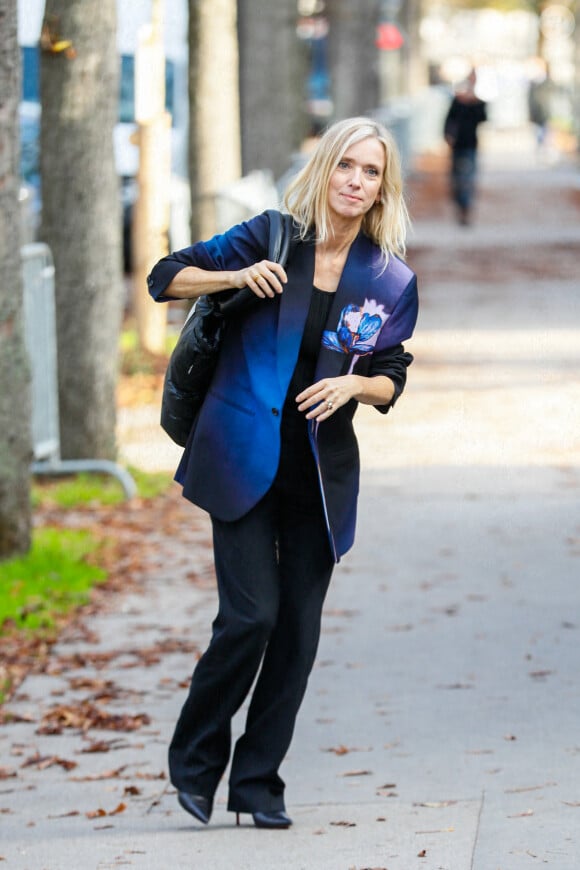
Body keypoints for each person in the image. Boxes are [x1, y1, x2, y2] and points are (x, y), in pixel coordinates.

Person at [146, 116, 419, 830]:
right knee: (250, 617)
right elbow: (163, 277)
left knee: (297, 632)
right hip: (239, 454)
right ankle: (196, 762)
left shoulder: (388, 277)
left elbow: (392, 371)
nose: (356, 182)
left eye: (371, 172)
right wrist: (234, 276)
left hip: (319, 474)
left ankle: (260, 784)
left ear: (383, 186)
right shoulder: (271, 235)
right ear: (325, 168)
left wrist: (355, 388)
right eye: (346, 167)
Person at [443, 68, 487, 225]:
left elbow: (483, 117)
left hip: (470, 144)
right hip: (457, 144)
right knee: (457, 178)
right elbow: (449, 120)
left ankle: (465, 208)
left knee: (467, 178)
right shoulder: (457, 100)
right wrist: (448, 136)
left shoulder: (477, 102)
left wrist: (473, 100)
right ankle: (460, 204)